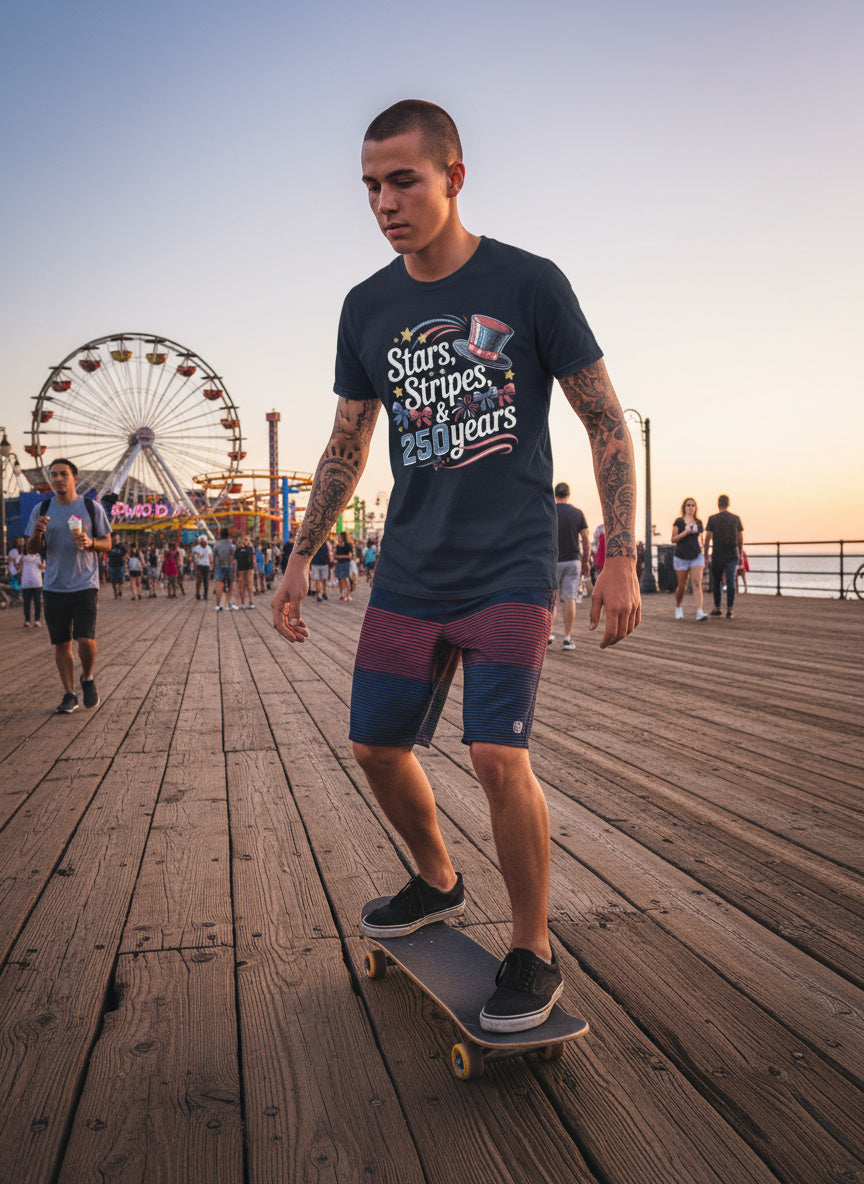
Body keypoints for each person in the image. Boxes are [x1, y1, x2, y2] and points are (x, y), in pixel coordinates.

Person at [272, 99, 640, 1034]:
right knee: (375, 746)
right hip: (409, 571)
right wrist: (299, 555)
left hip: (510, 569)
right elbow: (347, 442)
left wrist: (621, 554)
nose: (384, 201)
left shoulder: (529, 284)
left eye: (403, 180)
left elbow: (604, 420)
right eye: (370, 185)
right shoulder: (368, 306)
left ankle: (532, 947)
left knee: (494, 751)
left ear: (454, 177)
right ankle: (438, 880)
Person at [25, 458, 111, 712]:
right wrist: (37, 533)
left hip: (85, 583)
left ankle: (88, 677)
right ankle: (69, 693)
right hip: (53, 585)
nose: (58, 479)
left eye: (63, 474)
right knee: (61, 642)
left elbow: (107, 543)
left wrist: (90, 542)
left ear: (75, 478)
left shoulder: (91, 507)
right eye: (53, 475)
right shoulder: (41, 510)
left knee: (85, 638)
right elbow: (32, 550)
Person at [550, 482, 589, 650]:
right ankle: (567, 638)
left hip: (552, 560)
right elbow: (586, 540)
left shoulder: (549, 511)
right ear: (568, 494)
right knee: (570, 598)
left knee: (551, 598)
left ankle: (548, 633)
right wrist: (586, 561)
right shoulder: (577, 513)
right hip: (573, 560)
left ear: (554, 494)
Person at [704, 494, 744, 618]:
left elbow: (707, 539)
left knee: (717, 582)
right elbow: (740, 538)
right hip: (731, 553)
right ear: (728, 504)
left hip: (717, 554)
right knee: (731, 581)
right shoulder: (736, 518)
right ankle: (730, 609)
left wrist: (705, 555)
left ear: (718, 504)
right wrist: (740, 553)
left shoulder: (712, 519)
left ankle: (717, 607)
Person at [671, 497, 708, 621]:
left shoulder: (698, 522)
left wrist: (704, 553)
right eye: (688, 505)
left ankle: (699, 611)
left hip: (696, 556)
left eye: (693, 505)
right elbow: (673, 539)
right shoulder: (679, 522)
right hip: (681, 557)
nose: (691, 507)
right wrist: (685, 532)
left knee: (697, 583)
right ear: (684, 507)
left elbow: (701, 538)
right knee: (682, 585)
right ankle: (678, 607)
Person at [212, 528, 237, 610]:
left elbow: (213, 556)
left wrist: (213, 567)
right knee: (230, 585)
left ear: (220, 535)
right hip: (229, 566)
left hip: (219, 565)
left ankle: (218, 604)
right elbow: (234, 557)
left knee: (219, 584)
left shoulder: (217, 545)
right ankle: (229, 603)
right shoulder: (232, 545)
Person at [20, 548, 45, 628]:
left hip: (37, 582)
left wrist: (41, 565)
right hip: (26, 583)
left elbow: (44, 567)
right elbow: (18, 566)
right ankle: (27, 620)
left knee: (37, 602)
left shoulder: (39, 557)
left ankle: (37, 620)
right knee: (26, 603)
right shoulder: (23, 557)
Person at [234, 533, 256, 607]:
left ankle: (247, 602)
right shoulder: (247, 549)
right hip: (246, 568)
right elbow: (253, 559)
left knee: (245, 585)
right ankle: (247, 602)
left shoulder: (242, 549)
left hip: (245, 568)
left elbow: (236, 562)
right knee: (246, 585)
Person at [334, 531, 354, 601]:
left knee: (345, 579)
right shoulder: (338, 545)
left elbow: (351, 556)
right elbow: (336, 556)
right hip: (341, 563)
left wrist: (341, 556)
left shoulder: (348, 545)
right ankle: (342, 594)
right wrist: (345, 556)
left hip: (345, 564)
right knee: (341, 580)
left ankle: (347, 595)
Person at [192, 535, 213, 600]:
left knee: (206, 581)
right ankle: (197, 593)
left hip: (206, 565)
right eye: (202, 541)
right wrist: (197, 555)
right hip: (199, 565)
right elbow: (194, 555)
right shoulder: (197, 548)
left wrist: (211, 564)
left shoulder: (208, 548)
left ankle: (205, 594)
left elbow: (210, 557)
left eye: (204, 541)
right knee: (198, 580)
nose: (203, 543)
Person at [107, 534, 126, 598]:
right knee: (113, 580)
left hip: (120, 564)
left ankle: (120, 590)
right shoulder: (110, 546)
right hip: (112, 565)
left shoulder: (121, 546)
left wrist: (124, 559)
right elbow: (106, 552)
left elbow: (126, 553)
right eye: (113, 537)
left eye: (116, 537)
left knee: (120, 579)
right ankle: (115, 592)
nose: (115, 539)